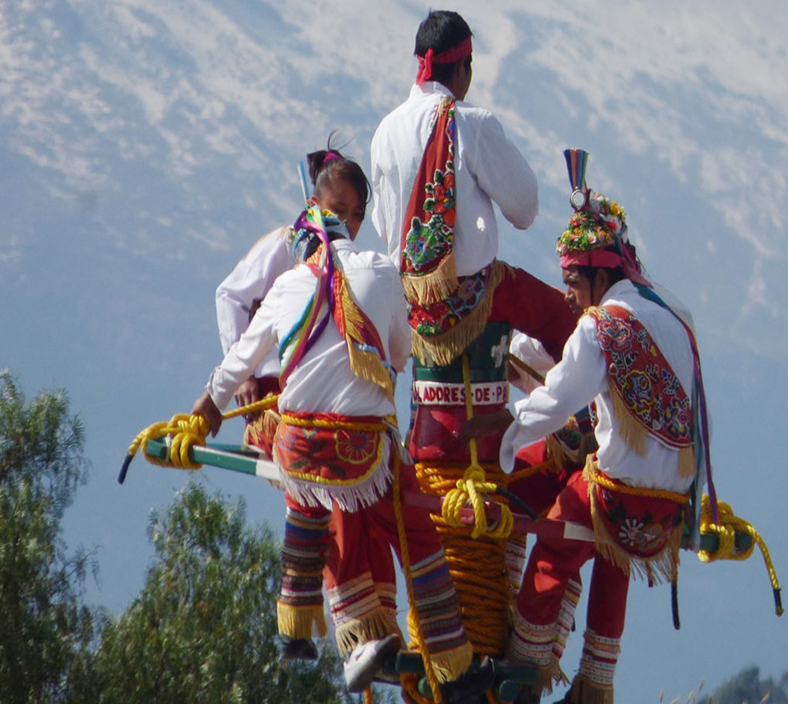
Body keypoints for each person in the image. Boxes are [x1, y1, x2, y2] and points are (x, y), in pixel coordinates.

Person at [192, 186, 492, 700]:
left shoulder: (287, 286)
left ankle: (306, 628)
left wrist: (198, 419)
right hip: (362, 452)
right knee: (412, 527)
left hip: (298, 451)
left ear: (308, 245)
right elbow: (400, 355)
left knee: (310, 498)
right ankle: (452, 663)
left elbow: (235, 366)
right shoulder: (381, 271)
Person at [466, 168, 714, 704]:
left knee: (552, 550)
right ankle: (596, 685)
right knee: (614, 558)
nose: (570, 296)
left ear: (599, 279)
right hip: (670, 508)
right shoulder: (676, 310)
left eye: (574, 284)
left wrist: (505, 427)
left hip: (615, 497)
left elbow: (556, 400)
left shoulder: (601, 325)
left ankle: (523, 674)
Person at [370, 9, 577, 370]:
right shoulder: (472, 123)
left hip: (410, 302)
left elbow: (383, 225)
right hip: (476, 296)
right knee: (564, 321)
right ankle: (578, 422)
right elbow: (524, 210)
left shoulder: (386, 130)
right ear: (464, 67)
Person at [214, 141, 369, 452]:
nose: (347, 223)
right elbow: (231, 296)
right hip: (273, 394)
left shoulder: (353, 265)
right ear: (313, 204)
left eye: (357, 215)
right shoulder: (285, 243)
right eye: (337, 210)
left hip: (326, 400)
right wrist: (242, 375)